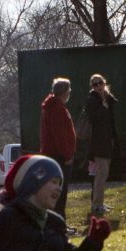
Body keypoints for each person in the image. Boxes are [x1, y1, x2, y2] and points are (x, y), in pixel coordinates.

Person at [38, 76, 79, 214]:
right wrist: (67, 155)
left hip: (54, 155)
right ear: (64, 91)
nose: (70, 92)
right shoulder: (56, 108)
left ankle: (59, 221)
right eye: (69, 90)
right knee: (59, 192)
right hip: (59, 157)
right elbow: (59, 135)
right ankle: (58, 223)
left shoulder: (53, 106)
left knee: (57, 192)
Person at [82, 71, 119, 218]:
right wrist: (103, 106)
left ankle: (100, 203)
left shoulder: (108, 99)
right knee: (100, 175)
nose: (98, 86)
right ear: (92, 86)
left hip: (107, 142)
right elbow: (95, 119)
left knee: (104, 174)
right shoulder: (92, 100)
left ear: (104, 83)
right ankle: (96, 205)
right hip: (98, 144)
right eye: (94, 84)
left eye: (100, 83)